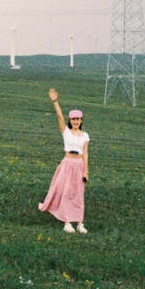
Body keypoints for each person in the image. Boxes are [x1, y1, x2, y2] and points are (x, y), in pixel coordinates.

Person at [37, 87, 89, 233]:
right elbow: (59, 117)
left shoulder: (85, 136)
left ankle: (79, 223)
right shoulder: (66, 132)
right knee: (66, 193)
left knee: (78, 195)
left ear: (81, 120)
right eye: (73, 119)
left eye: (78, 119)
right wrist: (55, 102)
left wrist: (86, 171)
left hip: (79, 165)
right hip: (67, 164)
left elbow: (86, 153)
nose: (76, 121)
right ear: (70, 120)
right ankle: (67, 222)